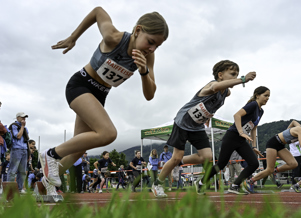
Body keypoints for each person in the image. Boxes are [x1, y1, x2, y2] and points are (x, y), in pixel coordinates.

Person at [38, 7, 169, 195]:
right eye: (150, 42)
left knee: (77, 149)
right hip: (81, 85)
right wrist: (73, 37)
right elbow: (98, 11)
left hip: (99, 96)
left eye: (157, 46)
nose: (152, 48)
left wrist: (143, 71)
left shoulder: (148, 57)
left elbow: (150, 94)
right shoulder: (114, 37)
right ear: (138, 30)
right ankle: (51, 154)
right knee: (108, 133)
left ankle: (45, 184)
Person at [152, 60, 257, 197]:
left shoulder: (226, 93)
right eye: (232, 74)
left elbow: (210, 104)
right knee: (175, 157)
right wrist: (243, 79)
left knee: (207, 156)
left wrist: (207, 116)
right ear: (220, 75)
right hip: (183, 122)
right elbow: (214, 88)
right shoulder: (212, 85)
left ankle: (179, 162)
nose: (235, 77)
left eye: (237, 74)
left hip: (197, 126)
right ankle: (158, 183)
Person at [195, 86, 267, 195]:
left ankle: (235, 186)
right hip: (232, 136)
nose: (267, 98)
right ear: (257, 95)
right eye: (265, 95)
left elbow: (254, 128)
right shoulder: (253, 105)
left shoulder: (261, 111)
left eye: (269, 97)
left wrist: (254, 146)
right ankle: (200, 182)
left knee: (254, 163)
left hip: (241, 140)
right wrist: (241, 132)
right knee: (221, 164)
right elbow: (237, 115)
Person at [246, 116, 301, 193]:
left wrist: (286, 132)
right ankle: (250, 181)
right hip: (273, 143)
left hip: (281, 145)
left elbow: (293, 122)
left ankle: (274, 170)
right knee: (269, 170)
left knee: (293, 164)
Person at [8, 112, 30, 193]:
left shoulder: (25, 128)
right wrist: (23, 126)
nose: (24, 119)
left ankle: (20, 189)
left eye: (25, 117)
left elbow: (27, 140)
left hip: (24, 150)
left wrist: (29, 153)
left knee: (23, 171)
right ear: (17, 118)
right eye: (22, 117)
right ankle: (9, 189)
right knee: (12, 170)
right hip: (16, 149)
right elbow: (18, 136)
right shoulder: (14, 125)